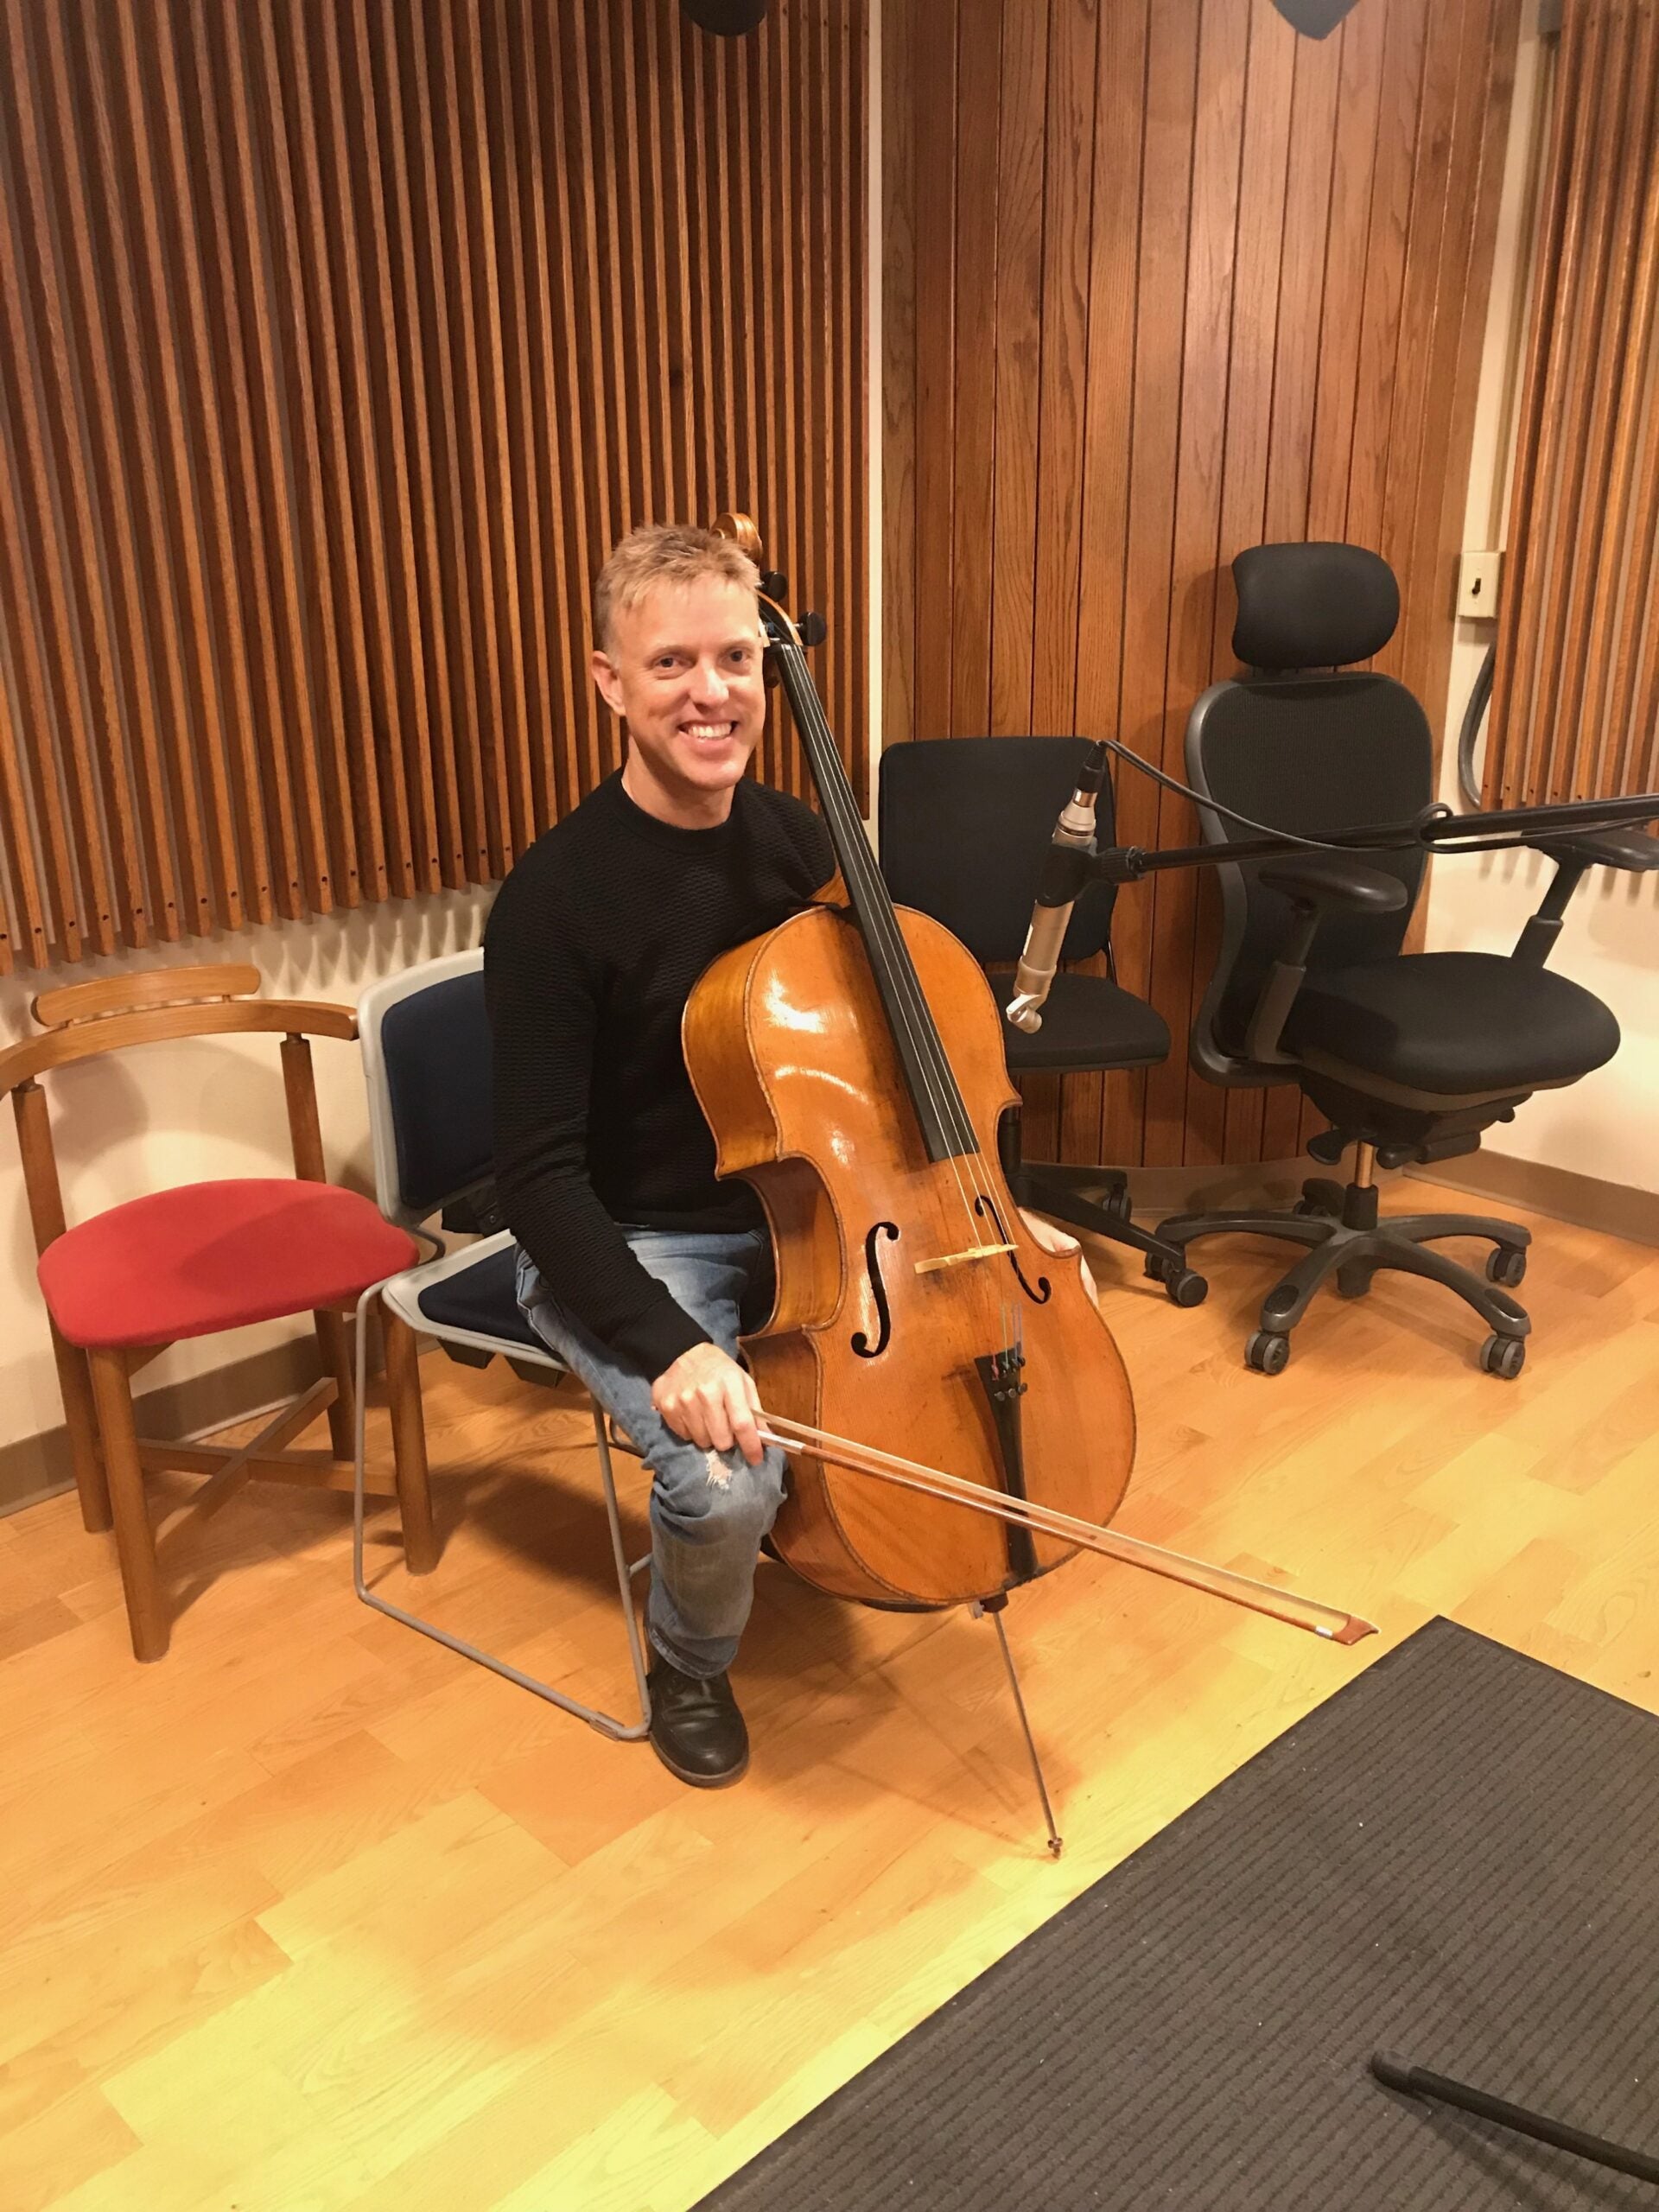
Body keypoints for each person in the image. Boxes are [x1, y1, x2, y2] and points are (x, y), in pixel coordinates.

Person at [484, 523, 836, 1789]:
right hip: (633, 1241)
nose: (712, 692)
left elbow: (884, 1053)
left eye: (736, 659)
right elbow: (536, 1181)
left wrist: (982, 1202)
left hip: (814, 1209)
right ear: (610, 682)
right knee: (729, 1488)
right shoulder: (553, 902)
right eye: (673, 662)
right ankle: (690, 1658)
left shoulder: (805, 842)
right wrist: (671, 1342)